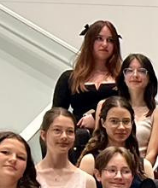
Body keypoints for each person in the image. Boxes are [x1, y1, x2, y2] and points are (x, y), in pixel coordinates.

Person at [52, 19, 121, 160]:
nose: (104, 44)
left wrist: (96, 119)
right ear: (90, 41)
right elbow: (57, 114)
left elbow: (127, 109)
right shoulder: (69, 78)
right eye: (99, 39)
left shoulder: (121, 79)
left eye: (110, 40)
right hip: (76, 136)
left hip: (110, 137)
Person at [79, 95, 154, 179]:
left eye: (126, 121)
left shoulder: (144, 166)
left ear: (132, 123)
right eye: (114, 121)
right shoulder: (90, 162)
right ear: (103, 122)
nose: (121, 127)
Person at [113, 53, 158, 151]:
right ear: (123, 76)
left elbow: (152, 153)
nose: (135, 75)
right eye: (129, 71)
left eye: (141, 71)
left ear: (150, 78)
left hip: (142, 160)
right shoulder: (106, 106)